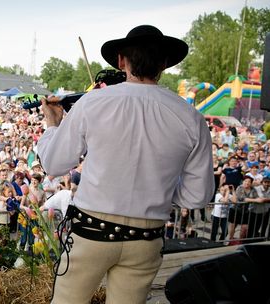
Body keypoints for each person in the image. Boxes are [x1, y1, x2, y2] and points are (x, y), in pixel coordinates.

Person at [38, 25, 214, 303]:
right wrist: (159, 189)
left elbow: (54, 163)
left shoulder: (93, 102)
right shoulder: (191, 117)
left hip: (90, 233)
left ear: (121, 61)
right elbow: (198, 196)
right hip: (145, 240)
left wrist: (52, 126)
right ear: (164, 63)